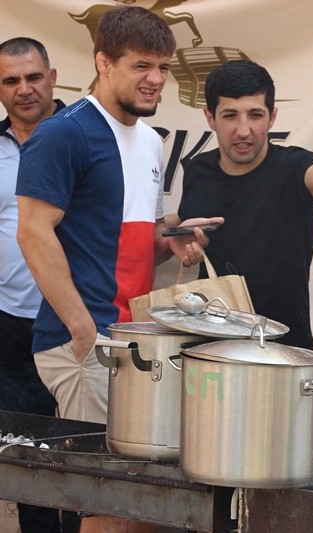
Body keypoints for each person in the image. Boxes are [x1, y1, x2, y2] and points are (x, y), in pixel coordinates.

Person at [15, 7, 217, 533]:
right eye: (142, 65)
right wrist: (84, 331)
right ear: (103, 62)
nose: (155, 79)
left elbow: (126, 246)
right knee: (109, 502)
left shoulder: (149, 141)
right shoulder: (64, 134)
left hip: (136, 341)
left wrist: (172, 240)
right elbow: (33, 233)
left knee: (143, 503)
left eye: (165, 68)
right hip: (86, 341)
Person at [176, 59, 313, 350]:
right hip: (207, 351)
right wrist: (180, 237)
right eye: (230, 115)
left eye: (255, 115)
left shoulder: (294, 167)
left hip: (283, 352)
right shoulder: (197, 170)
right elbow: (185, 230)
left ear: (272, 116)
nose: (243, 130)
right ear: (210, 117)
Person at [0, 36, 64, 533]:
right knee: (25, 455)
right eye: (11, 80)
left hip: (75, 325)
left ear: (53, 77)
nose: (24, 89)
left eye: (33, 77)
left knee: (86, 453)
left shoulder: (83, 137)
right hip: (8, 327)